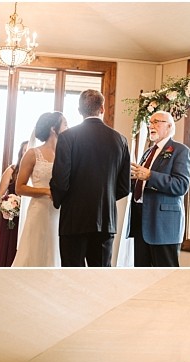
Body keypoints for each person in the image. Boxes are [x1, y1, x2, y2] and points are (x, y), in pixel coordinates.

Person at [50, 89, 131, 267]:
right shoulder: (120, 140)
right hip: (105, 219)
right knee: (100, 277)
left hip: (73, 218)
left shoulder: (67, 137)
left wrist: (61, 201)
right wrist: (105, 198)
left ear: (79, 110)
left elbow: (60, 180)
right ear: (102, 108)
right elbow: (125, 186)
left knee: (72, 276)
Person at [128, 111, 190, 266]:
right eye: (150, 122)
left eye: (156, 122)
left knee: (165, 275)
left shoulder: (180, 151)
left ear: (169, 126)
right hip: (141, 222)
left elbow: (181, 185)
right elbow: (141, 182)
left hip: (164, 225)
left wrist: (151, 176)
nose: (151, 126)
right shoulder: (148, 152)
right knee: (142, 275)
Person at [12, 111, 67, 268]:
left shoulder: (66, 154)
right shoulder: (32, 154)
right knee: (34, 253)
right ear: (53, 128)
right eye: (65, 124)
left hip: (60, 214)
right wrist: (46, 191)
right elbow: (19, 188)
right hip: (39, 211)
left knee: (55, 254)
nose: (68, 128)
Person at [0, 141, 27, 268]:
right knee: (8, 247)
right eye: (24, 150)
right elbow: (0, 195)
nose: (27, 153)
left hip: (27, 216)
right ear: (20, 153)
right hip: (10, 217)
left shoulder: (35, 172)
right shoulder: (12, 170)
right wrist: (7, 208)